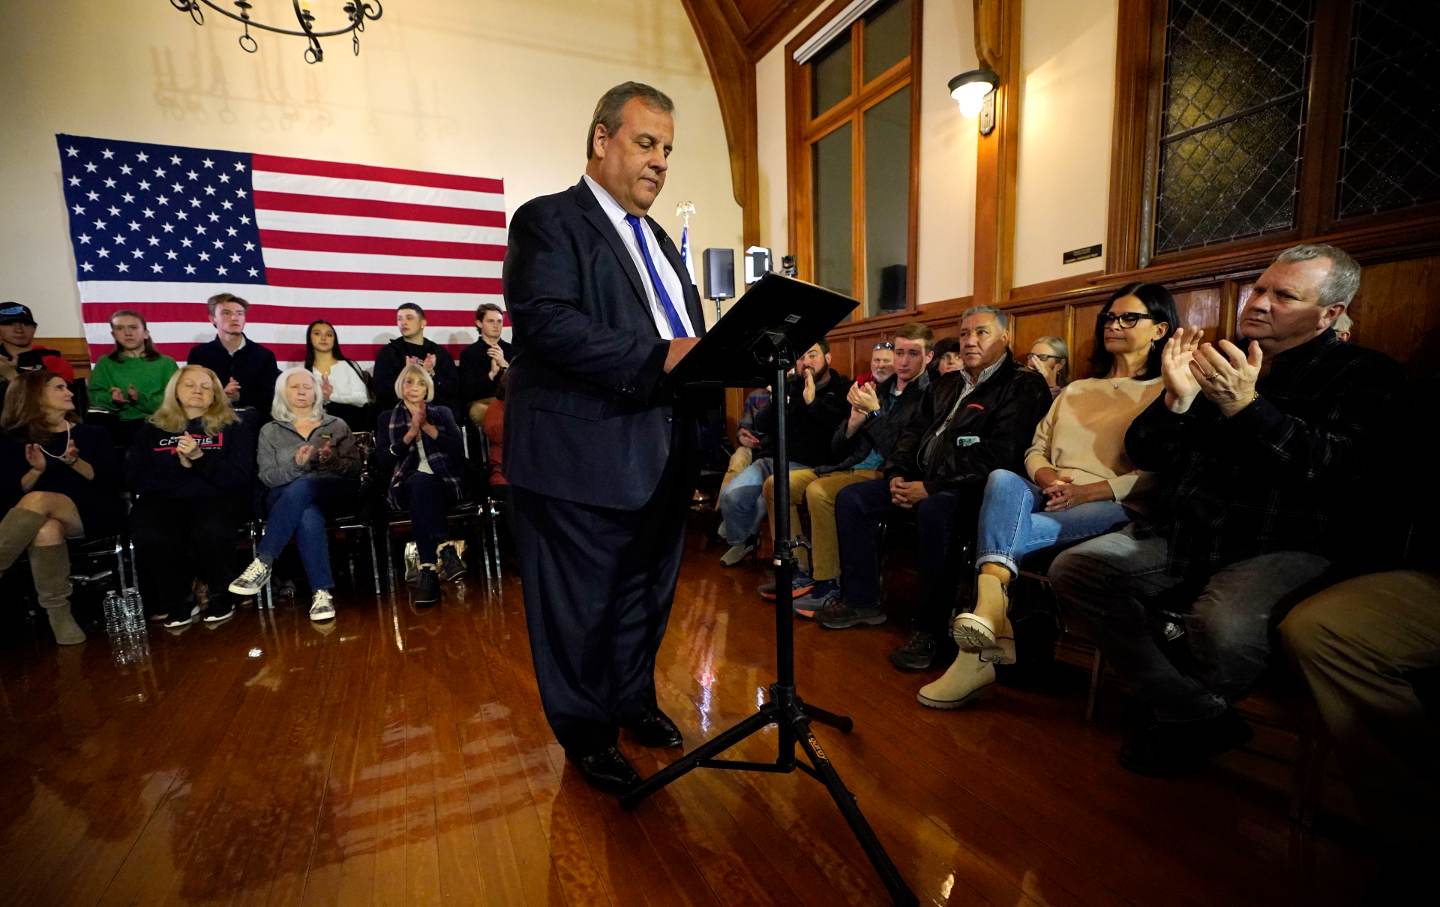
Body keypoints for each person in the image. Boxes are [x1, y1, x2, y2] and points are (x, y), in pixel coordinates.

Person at [1047, 243, 1404, 776]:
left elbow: (1335, 471)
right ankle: (1191, 710)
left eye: (1284, 296)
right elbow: (1147, 452)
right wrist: (1176, 400)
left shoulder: (1364, 374)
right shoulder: (1218, 356)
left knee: (1223, 627)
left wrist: (1247, 407)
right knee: (1076, 568)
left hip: (1283, 542)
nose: (1259, 303)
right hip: (1189, 531)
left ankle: (1184, 710)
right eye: (1260, 288)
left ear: (1328, 313)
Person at [504, 81, 705, 795]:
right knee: (579, 608)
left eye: (669, 150)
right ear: (601, 138)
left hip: (662, 454)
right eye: (646, 142)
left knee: (644, 596)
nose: (659, 162)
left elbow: (691, 346)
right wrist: (661, 356)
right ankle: (586, 732)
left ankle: (631, 701)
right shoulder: (548, 221)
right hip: (579, 457)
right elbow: (546, 324)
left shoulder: (662, 246)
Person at [920, 284, 1175, 705]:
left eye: (1129, 318)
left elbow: (1160, 472)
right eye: (1110, 317)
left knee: (1004, 526)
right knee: (1001, 478)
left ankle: (979, 643)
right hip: (1050, 490)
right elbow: (1034, 447)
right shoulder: (1077, 390)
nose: (1114, 325)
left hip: (1111, 503)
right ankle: (991, 617)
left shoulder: (1167, 391)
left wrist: (1090, 491)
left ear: (1160, 329)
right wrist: (1048, 479)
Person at [816, 307, 1052, 648]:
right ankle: (862, 601)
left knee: (936, 510)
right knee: (853, 498)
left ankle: (931, 630)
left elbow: (1002, 455)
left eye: (981, 333)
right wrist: (897, 473)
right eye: (964, 334)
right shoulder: (947, 384)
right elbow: (912, 434)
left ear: (1005, 337)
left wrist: (932, 487)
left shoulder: (1022, 385)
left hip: (974, 489)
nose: (970, 341)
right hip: (922, 480)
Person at [774, 323, 934, 612]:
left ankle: (828, 582)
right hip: (848, 465)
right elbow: (838, 447)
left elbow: (902, 453)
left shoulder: (929, 395)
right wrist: (852, 423)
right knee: (777, 484)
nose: (903, 360)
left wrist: (873, 414)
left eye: (913, 353)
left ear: (929, 358)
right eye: (899, 352)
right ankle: (797, 569)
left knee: (819, 492)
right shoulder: (879, 388)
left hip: (885, 473)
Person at [228, 368, 363, 621]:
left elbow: (354, 470)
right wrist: (296, 466)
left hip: (331, 493)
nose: (302, 391)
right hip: (285, 498)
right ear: (282, 393)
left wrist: (331, 460)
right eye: (294, 386)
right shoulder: (270, 430)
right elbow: (267, 477)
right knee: (306, 513)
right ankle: (321, 592)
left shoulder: (336, 424)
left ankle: (264, 561)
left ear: (316, 393)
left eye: (307, 386)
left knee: (307, 485)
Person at [127, 365, 256, 626]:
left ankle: (221, 593)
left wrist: (199, 459)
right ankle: (178, 598)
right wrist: (180, 467)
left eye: (205, 386)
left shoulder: (233, 427)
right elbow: (135, 477)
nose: (198, 390)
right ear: (175, 390)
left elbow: (240, 477)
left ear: (215, 395)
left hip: (216, 495)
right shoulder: (151, 429)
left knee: (210, 528)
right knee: (150, 531)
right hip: (165, 497)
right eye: (189, 385)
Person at [0, 371, 119, 644]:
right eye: (59, 388)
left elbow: (109, 483)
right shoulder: (11, 441)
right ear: (35, 397)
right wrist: (36, 471)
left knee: (40, 499)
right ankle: (60, 616)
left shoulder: (93, 433)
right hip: (34, 520)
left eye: (67, 387)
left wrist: (74, 462)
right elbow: (8, 495)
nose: (69, 392)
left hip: (90, 511)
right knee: (46, 529)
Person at [715, 340, 849, 567]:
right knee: (731, 496)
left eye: (813, 355)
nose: (806, 362)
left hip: (807, 466)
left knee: (763, 502)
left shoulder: (843, 388)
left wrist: (812, 402)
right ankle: (745, 539)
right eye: (802, 357)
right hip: (770, 459)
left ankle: (746, 539)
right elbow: (762, 424)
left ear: (828, 358)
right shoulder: (790, 384)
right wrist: (777, 398)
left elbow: (839, 432)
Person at [374, 364, 466, 605]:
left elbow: (457, 451)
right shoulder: (387, 418)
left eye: (420, 383)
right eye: (408, 382)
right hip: (403, 484)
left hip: (445, 480)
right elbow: (383, 461)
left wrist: (426, 428)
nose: (414, 388)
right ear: (400, 387)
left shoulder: (442, 413)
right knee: (419, 483)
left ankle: (428, 571)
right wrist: (410, 433)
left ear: (428, 388)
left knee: (425, 486)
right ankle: (445, 548)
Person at [87, 309, 179, 446]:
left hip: (160, 425)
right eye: (120, 328)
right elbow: (95, 395)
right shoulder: (105, 363)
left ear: (146, 333)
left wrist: (139, 398)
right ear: (113, 334)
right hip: (119, 426)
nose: (127, 333)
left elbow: (174, 398)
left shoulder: (166, 363)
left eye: (133, 327)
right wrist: (112, 399)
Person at [185, 292, 280, 416]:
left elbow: (272, 398)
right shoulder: (199, 354)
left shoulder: (264, 356)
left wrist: (240, 397)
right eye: (226, 313)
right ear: (212, 318)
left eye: (239, 313)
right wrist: (220, 396)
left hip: (254, 425)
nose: (235, 318)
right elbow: (190, 394)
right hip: (209, 421)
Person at [371, 303, 461, 414]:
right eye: (399, 319)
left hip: (436, 410)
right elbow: (381, 390)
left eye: (409, 318)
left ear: (423, 323)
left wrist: (430, 374)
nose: (403, 322)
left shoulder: (439, 353)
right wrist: (406, 375)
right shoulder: (388, 352)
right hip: (400, 411)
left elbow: (452, 388)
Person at [303, 320, 372, 431]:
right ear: (309, 338)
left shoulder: (348, 365)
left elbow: (362, 399)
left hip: (351, 425)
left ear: (334, 340)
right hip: (314, 428)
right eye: (317, 333)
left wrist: (331, 397)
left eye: (329, 334)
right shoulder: (302, 370)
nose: (323, 338)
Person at [0, 303, 77, 401]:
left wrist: (10, 374)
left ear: (34, 328)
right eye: (9, 323)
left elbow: (53, 403)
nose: (19, 329)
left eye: (26, 323)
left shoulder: (54, 361)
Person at [459, 302, 513, 427]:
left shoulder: (512, 350)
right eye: (490, 321)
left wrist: (505, 365)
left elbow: (522, 383)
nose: (496, 325)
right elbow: (467, 392)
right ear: (479, 323)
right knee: (491, 415)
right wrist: (491, 374)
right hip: (482, 402)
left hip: (510, 402)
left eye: (499, 321)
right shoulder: (469, 353)